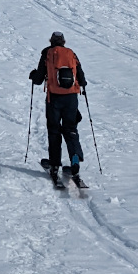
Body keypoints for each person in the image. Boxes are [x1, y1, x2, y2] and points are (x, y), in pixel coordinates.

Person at [29, 32, 87, 181]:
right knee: (70, 129)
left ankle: (55, 165)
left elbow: (38, 79)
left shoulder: (47, 53)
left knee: (54, 131)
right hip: (71, 98)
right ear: (63, 42)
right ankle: (75, 158)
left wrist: (33, 75)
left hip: (54, 98)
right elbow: (81, 77)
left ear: (51, 41)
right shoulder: (71, 53)